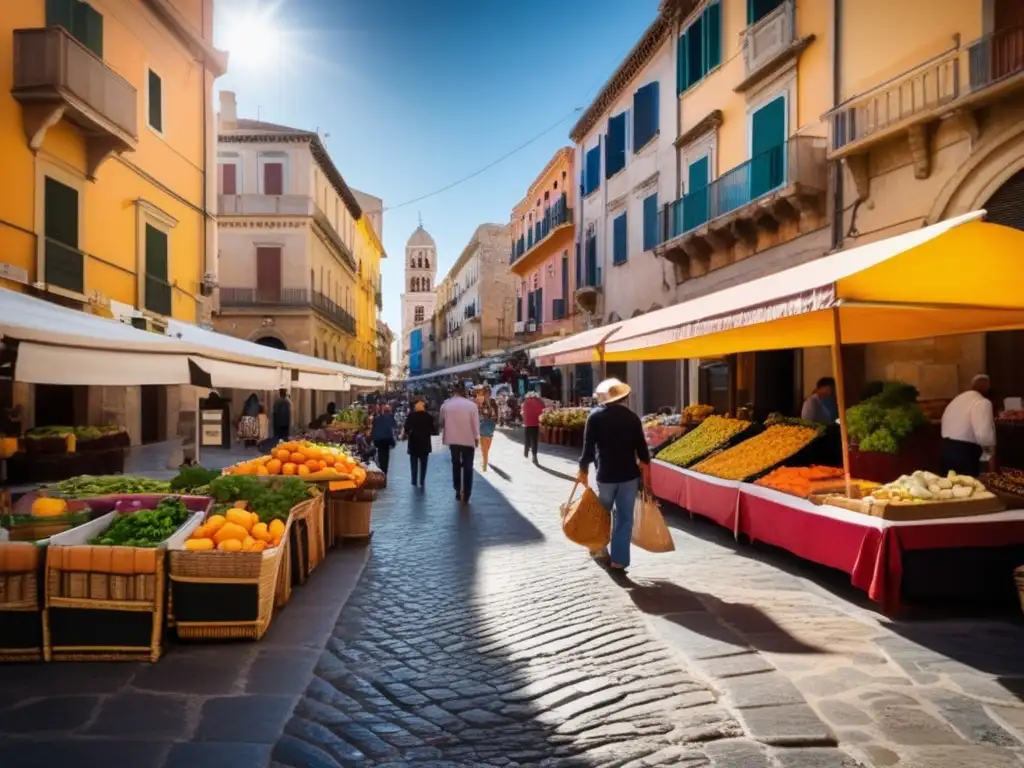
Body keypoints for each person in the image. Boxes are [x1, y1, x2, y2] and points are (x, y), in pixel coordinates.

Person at [577, 378, 651, 574]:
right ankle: (619, 560)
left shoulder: (595, 417)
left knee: (602, 514)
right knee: (625, 518)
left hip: (606, 475)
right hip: (629, 475)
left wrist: (583, 469)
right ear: (624, 397)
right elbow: (642, 451)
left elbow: (588, 450)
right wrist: (646, 469)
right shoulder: (633, 418)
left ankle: (599, 548)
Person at [941, 374, 997, 476]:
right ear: (987, 387)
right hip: (965, 454)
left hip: (946, 450)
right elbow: (984, 435)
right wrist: (991, 459)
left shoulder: (957, 399)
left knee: (950, 488)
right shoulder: (982, 402)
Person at [440, 386, 480, 504]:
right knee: (468, 466)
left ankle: (457, 489)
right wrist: (477, 437)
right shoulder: (472, 406)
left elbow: (441, 422)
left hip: (453, 439)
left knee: (456, 464)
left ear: (453, 393)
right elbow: (475, 424)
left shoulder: (446, 405)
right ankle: (467, 492)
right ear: (465, 393)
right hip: (468, 439)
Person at [404, 400, 435, 488]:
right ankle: (422, 480)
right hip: (425, 443)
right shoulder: (428, 416)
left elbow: (406, 429)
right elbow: (433, 429)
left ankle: (414, 480)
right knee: (424, 464)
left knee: (413, 463)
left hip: (413, 443)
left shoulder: (411, 416)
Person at [475, 384, 499, 472]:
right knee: (483, 446)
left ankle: (485, 457)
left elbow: (497, 411)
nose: (487, 394)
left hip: (491, 425)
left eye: (489, 392)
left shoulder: (493, 401)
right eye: (486, 392)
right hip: (482, 424)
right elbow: (476, 412)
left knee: (488, 445)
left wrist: (496, 420)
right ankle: (484, 464)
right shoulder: (480, 401)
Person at [371, 405, 398, 478]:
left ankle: (381, 469)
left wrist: (373, 439)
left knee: (380, 454)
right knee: (386, 456)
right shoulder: (391, 418)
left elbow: (374, 429)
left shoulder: (378, 419)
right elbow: (393, 430)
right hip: (387, 440)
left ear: (383, 411)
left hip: (378, 440)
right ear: (390, 411)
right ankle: (384, 472)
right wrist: (393, 442)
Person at [522, 391, 544, 463]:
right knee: (534, 440)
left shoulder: (526, 401)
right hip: (536, 423)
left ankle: (526, 451)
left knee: (527, 437)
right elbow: (543, 410)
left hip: (527, 423)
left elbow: (523, 411)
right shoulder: (539, 401)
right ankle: (534, 456)